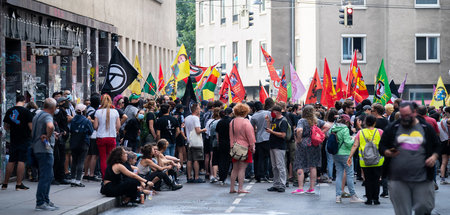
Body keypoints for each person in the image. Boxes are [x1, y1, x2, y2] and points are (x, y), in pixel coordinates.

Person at [379, 102, 440, 215]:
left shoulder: (426, 128)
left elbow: (437, 145)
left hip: (423, 177)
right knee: (402, 211)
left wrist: (434, 156)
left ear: (415, 112)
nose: (404, 118)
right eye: (402, 115)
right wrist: (386, 152)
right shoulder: (393, 128)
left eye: (407, 115)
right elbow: (382, 146)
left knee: (425, 207)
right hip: (398, 178)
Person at [347, 115, 384, 205]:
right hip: (378, 159)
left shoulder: (361, 133)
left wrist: (350, 156)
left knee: (367, 179)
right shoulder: (380, 132)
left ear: (366, 123)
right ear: (375, 122)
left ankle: (369, 198)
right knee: (376, 179)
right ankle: (376, 199)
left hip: (364, 160)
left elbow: (355, 145)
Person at [292, 105, 328, 194]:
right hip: (314, 143)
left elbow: (299, 130)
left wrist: (299, 139)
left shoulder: (302, 121)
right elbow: (327, 126)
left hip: (304, 143)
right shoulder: (316, 121)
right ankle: (311, 188)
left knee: (300, 164)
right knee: (313, 165)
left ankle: (300, 188)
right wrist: (319, 133)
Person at [331, 114, 364, 203]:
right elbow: (348, 143)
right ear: (346, 121)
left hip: (336, 153)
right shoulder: (345, 129)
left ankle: (338, 196)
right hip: (345, 154)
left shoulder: (333, 127)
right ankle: (353, 196)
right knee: (350, 174)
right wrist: (353, 138)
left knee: (339, 174)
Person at [32, 98, 59, 211]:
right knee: (46, 176)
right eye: (56, 107)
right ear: (52, 108)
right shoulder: (48, 116)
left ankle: (45, 200)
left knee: (48, 175)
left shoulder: (37, 115)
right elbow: (50, 126)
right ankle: (41, 202)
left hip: (37, 148)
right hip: (45, 150)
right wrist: (48, 136)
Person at [2, 95, 33, 190]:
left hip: (13, 139)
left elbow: (6, 127)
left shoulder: (9, 111)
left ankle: (5, 184)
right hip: (24, 139)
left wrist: (13, 129)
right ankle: (19, 184)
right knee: (21, 161)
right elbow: (31, 127)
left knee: (11, 160)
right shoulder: (27, 112)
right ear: (24, 101)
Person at [229, 104, 256, 194]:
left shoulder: (232, 122)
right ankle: (240, 188)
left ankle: (232, 187)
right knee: (242, 169)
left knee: (235, 168)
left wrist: (232, 146)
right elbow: (250, 136)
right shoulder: (246, 122)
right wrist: (252, 146)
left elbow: (231, 136)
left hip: (235, 147)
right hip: (245, 147)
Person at [94, 94, 120, 178]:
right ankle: (111, 175)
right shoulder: (115, 111)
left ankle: (104, 176)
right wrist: (115, 130)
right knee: (111, 157)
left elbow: (95, 126)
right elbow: (118, 125)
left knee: (103, 158)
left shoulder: (98, 112)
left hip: (101, 137)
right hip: (112, 137)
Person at [69, 104, 94, 187]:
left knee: (74, 161)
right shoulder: (86, 121)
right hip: (84, 142)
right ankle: (78, 180)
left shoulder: (72, 120)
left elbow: (71, 130)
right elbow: (91, 131)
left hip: (73, 142)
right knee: (81, 161)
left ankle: (72, 179)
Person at [266, 105, 288, 193]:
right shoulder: (275, 119)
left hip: (279, 146)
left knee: (280, 166)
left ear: (277, 112)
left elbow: (283, 135)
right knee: (274, 166)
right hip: (273, 145)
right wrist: (268, 121)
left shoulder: (283, 121)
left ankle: (282, 184)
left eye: (273, 111)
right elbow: (270, 128)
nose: (271, 113)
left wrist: (272, 132)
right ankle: (276, 184)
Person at [185, 103, 207, 183]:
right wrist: (204, 130)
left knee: (189, 159)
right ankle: (196, 177)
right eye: (199, 108)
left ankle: (189, 177)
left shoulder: (187, 118)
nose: (200, 110)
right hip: (196, 141)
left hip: (189, 140)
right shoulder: (196, 119)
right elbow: (198, 131)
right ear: (196, 110)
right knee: (196, 160)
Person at [250, 101, 271, 183]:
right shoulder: (268, 113)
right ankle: (266, 174)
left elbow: (252, 128)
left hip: (259, 138)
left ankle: (259, 175)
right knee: (267, 157)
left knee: (259, 158)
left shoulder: (254, 116)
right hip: (268, 137)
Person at [83, 93, 101, 181]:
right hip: (93, 134)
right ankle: (91, 174)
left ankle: (86, 173)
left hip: (88, 134)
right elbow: (90, 121)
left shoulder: (88, 109)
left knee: (89, 155)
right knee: (94, 155)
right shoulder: (94, 111)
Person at [216, 108, 233, 185]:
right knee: (230, 161)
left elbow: (217, 134)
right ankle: (232, 178)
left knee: (222, 160)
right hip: (230, 143)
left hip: (222, 143)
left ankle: (222, 177)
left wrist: (219, 142)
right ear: (231, 113)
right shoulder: (231, 121)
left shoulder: (220, 122)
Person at [208, 108, 221, 183]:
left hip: (214, 142)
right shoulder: (222, 122)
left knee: (214, 159)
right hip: (222, 143)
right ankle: (220, 175)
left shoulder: (213, 123)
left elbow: (211, 133)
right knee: (221, 159)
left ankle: (214, 175)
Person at [438, 107, 450, 184]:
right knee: (445, 161)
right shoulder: (447, 121)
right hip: (448, 142)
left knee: (444, 162)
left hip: (443, 142)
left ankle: (442, 179)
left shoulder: (441, 121)